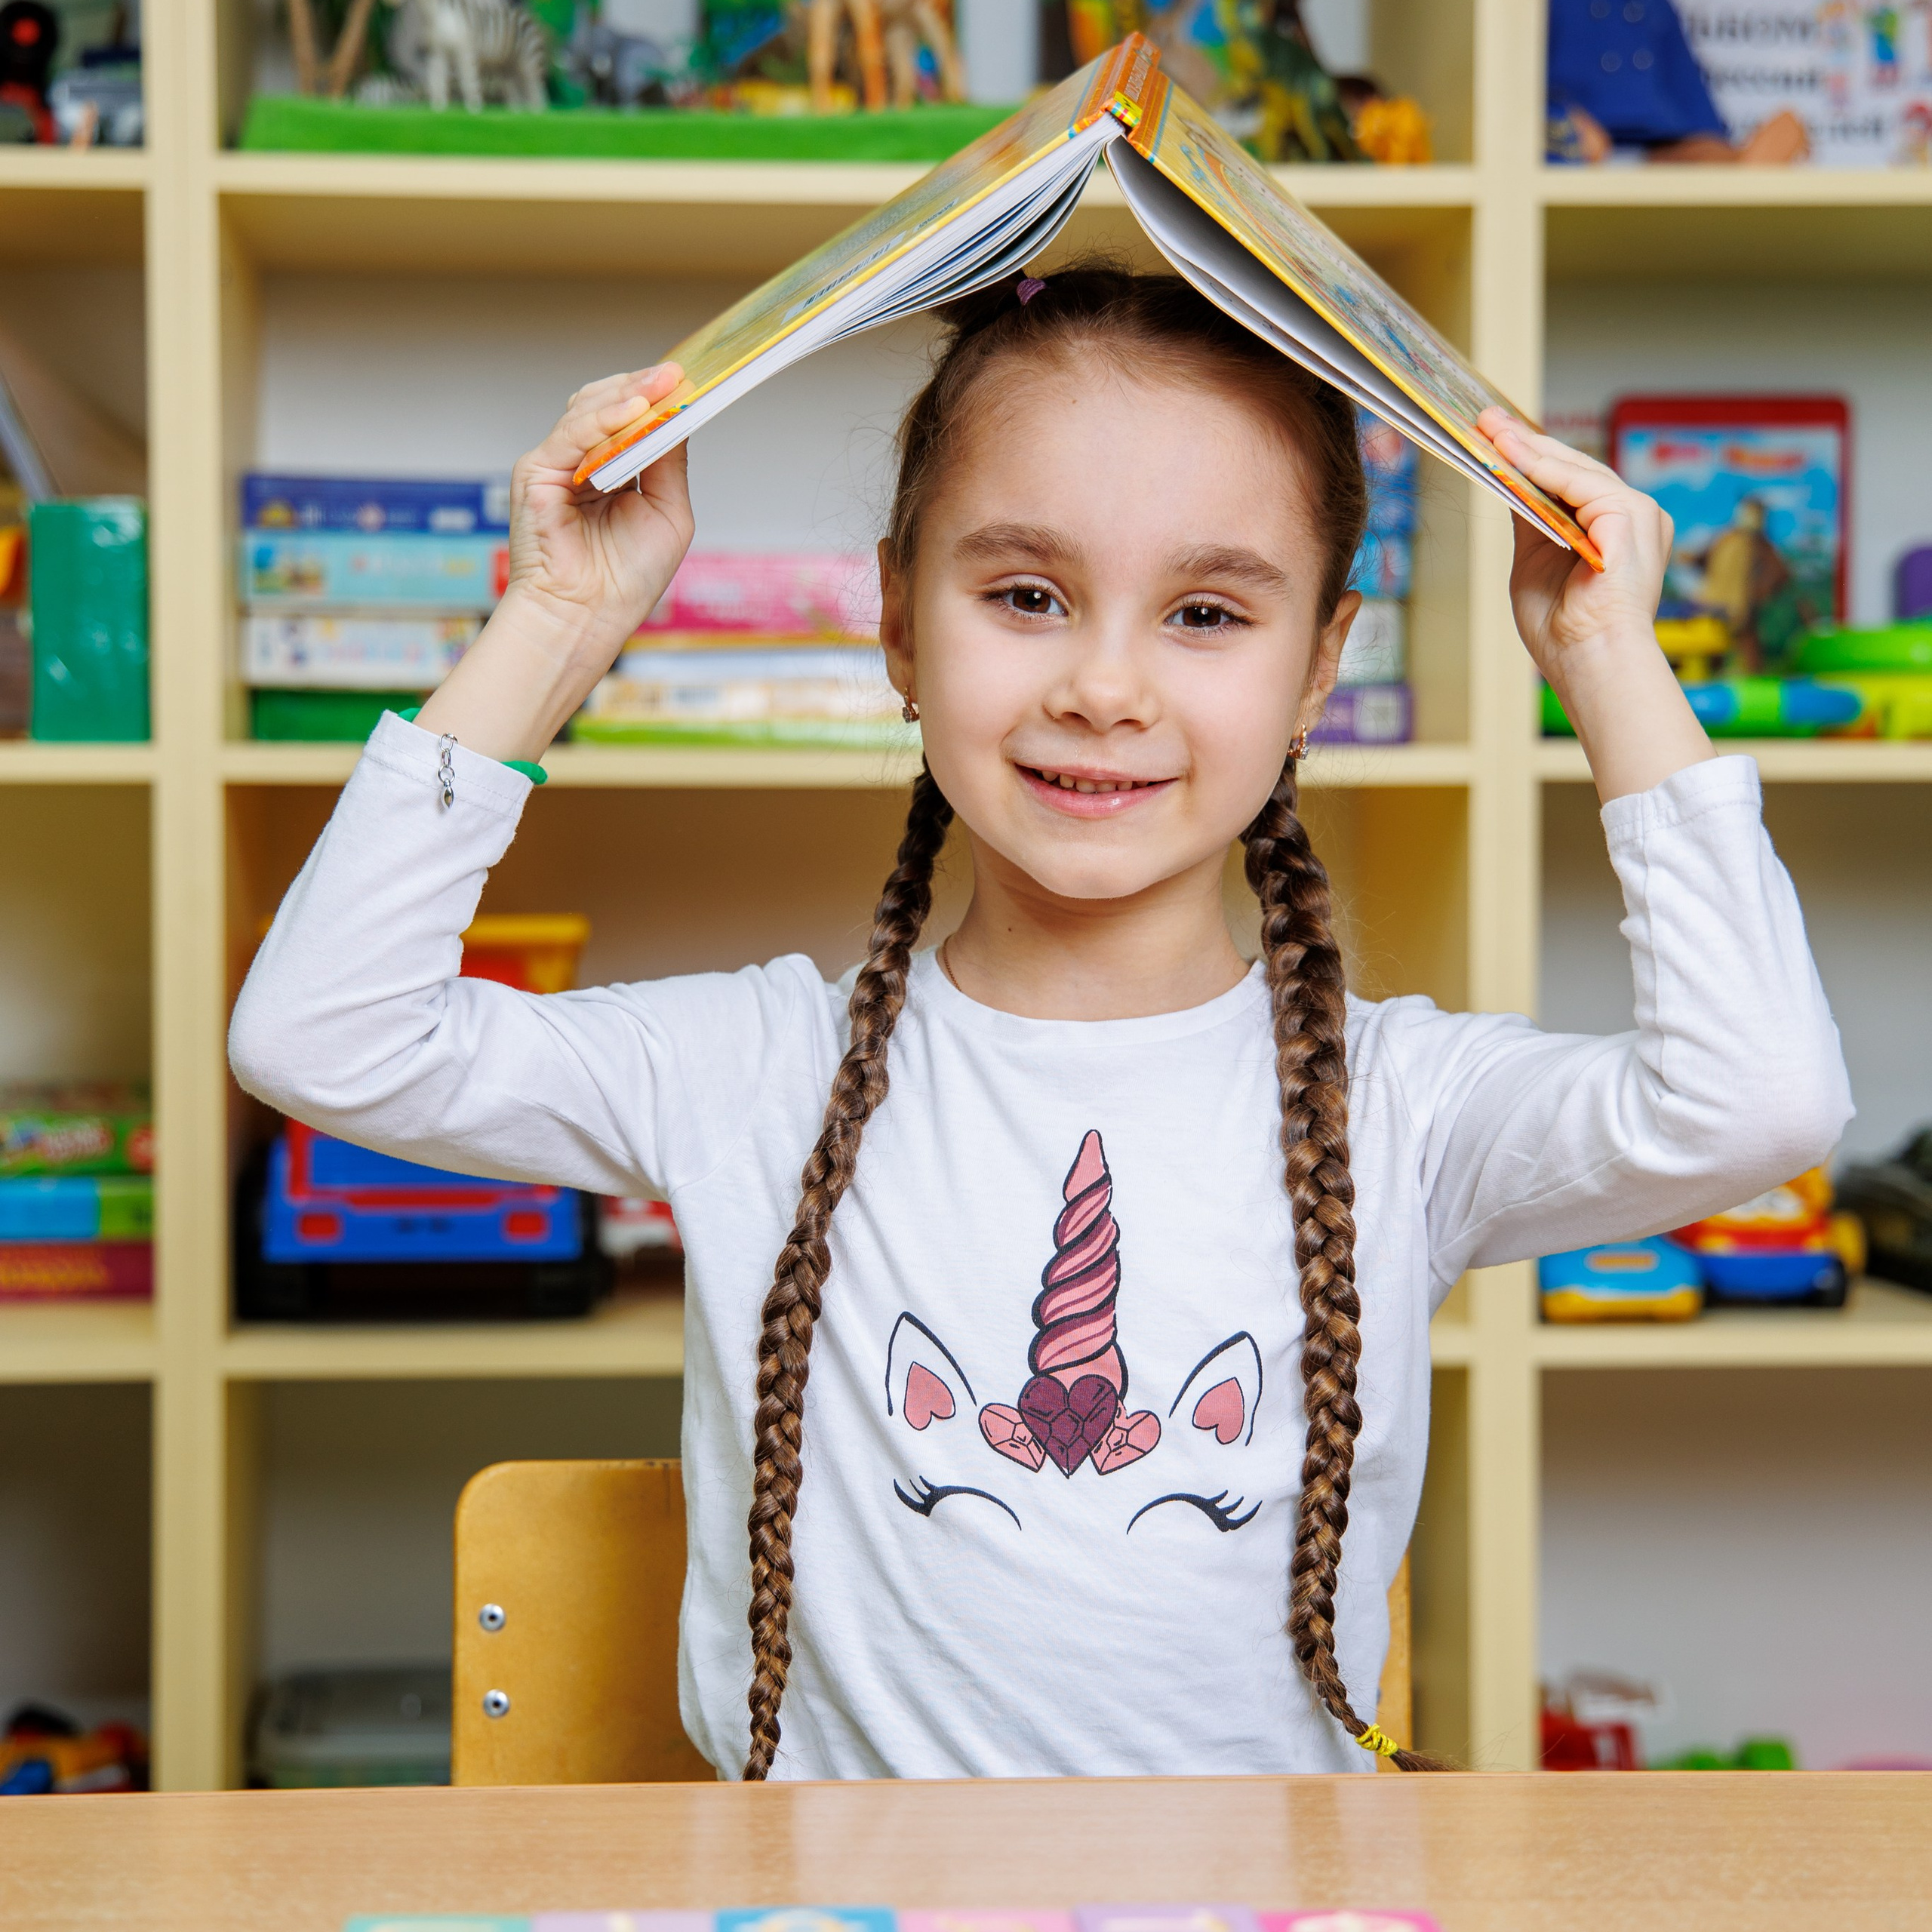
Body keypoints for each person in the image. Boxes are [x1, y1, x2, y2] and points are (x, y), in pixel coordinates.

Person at [229, 268, 1851, 1782]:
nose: (1103, 685)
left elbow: (1756, 1100)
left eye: (1207, 614)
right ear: (896, 624)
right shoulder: (753, 1073)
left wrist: (1601, 652)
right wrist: (558, 621)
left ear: (1314, 673)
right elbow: (324, 1032)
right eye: (1024, 592)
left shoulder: (1399, 1103)